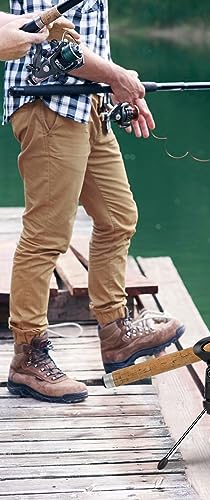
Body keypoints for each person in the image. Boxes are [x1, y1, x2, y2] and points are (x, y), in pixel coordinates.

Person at [3, 0, 185, 404]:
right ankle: (28, 356)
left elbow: (87, 40)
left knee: (118, 218)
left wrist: (118, 90)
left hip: (90, 105)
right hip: (48, 104)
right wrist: (118, 77)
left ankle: (116, 333)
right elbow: (51, 43)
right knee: (46, 235)